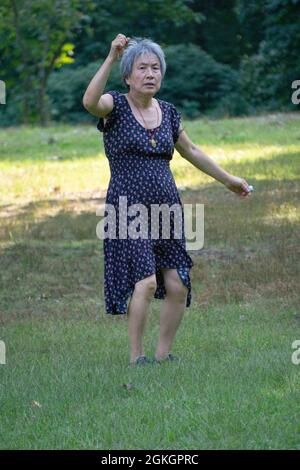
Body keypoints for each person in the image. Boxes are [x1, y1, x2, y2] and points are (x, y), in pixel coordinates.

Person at [83, 34, 252, 366]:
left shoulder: (170, 113)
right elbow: (90, 101)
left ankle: (163, 354)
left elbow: (191, 151)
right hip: (126, 208)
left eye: (156, 68)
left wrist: (230, 181)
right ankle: (137, 357)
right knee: (145, 282)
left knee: (178, 284)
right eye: (142, 68)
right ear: (128, 75)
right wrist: (111, 57)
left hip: (166, 209)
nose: (150, 74)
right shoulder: (114, 106)